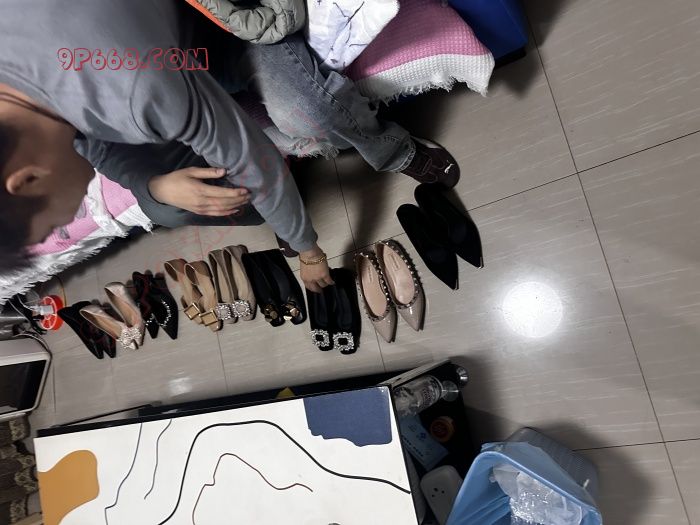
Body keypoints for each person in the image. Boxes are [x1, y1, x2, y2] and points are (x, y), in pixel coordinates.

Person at [0, 0, 459, 292]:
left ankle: (395, 151)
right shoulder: (24, 101)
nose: (68, 221)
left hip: (221, 29)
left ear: (26, 179)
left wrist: (310, 252)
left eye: (56, 223)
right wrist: (152, 183)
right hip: (169, 58)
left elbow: (251, 161)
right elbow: (89, 143)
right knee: (161, 204)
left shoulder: (128, 83)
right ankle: (282, 208)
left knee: (305, 114)